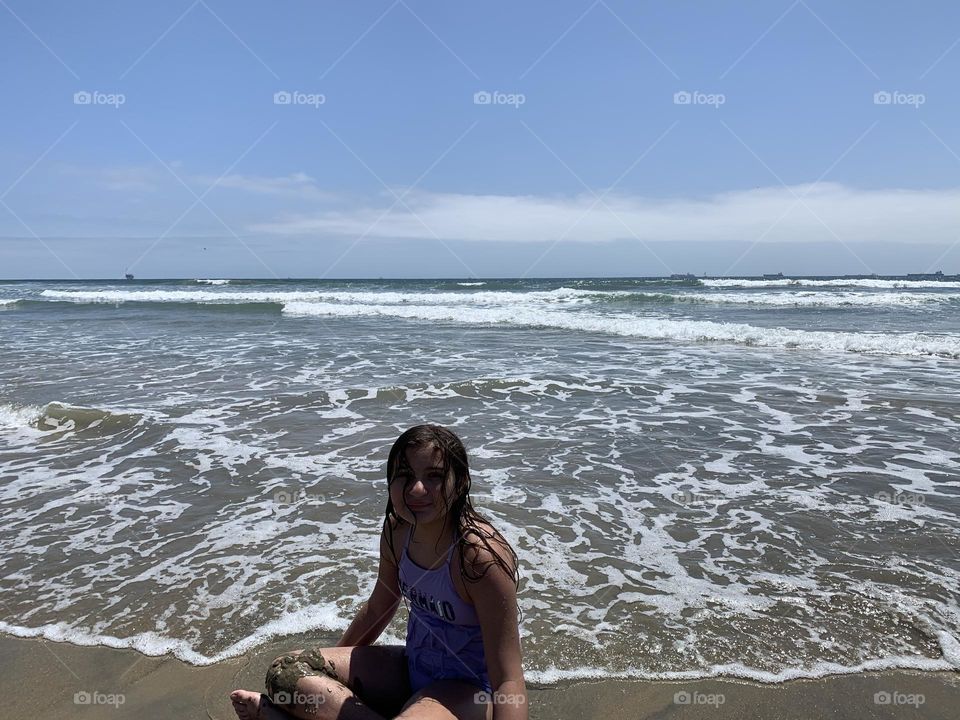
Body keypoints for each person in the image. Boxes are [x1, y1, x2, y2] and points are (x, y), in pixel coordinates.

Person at [231, 424, 527, 719]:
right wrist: (327, 677)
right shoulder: (398, 532)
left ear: (460, 483)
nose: (417, 489)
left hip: (466, 693)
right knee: (286, 675)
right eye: (405, 475)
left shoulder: (478, 558)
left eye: (434, 476)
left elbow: (508, 679)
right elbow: (378, 609)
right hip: (410, 668)